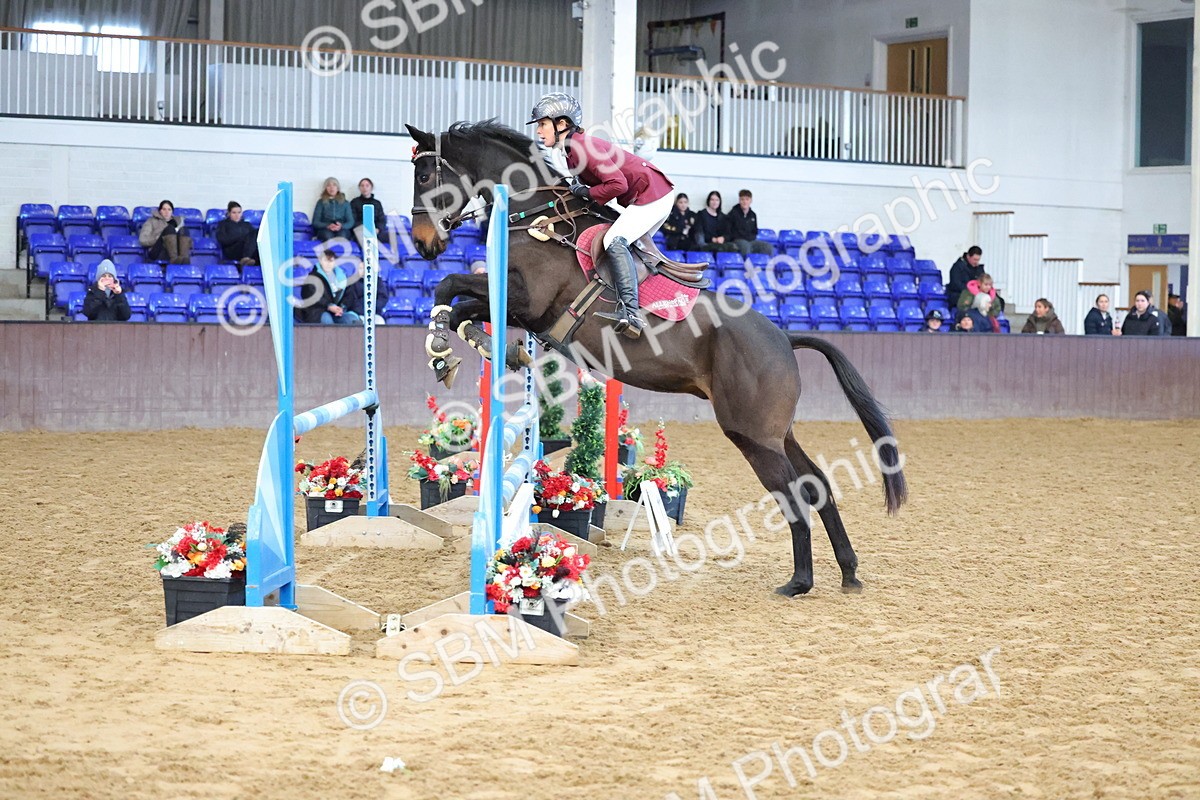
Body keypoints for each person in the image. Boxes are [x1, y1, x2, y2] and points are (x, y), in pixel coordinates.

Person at [529, 92, 675, 339]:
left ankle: (631, 313)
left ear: (562, 124)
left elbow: (617, 184)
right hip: (646, 194)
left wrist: (585, 191)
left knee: (613, 241)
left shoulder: (582, 147)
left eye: (543, 124)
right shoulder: (572, 149)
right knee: (624, 246)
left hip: (652, 195)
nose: (539, 131)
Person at [296, 249, 361, 325]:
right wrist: (329, 306)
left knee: (351, 319)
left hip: (337, 312)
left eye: (331, 261)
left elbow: (349, 295)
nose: (328, 264)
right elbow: (311, 296)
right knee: (327, 320)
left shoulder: (342, 277)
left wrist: (342, 307)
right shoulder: (312, 277)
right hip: (318, 312)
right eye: (325, 261)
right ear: (320, 261)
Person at [138, 199, 192, 264]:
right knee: (169, 229)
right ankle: (174, 259)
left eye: (169, 209)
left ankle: (183, 259)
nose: (167, 212)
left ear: (172, 212)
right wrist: (159, 237)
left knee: (184, 230)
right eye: (164, 209)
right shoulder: (151, 221)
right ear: (160, 211)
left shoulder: (178, 222)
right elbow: (143, 240)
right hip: (157, 251)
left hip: (177, 251)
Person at [726, 190, 775, 256]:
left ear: (751, 201)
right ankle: (747, 266)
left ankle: (764, 265)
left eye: (747, 199)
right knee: (746, 246)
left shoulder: (753, 215)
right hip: (737, 241)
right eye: (742, 199)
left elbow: (754, 231)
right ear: (739, 200)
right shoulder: (733, 214)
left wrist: (750, 237)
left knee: (768, 247)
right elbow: (729, 231)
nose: (744, 202)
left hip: (751, 241)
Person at [350, 178, 390, 250]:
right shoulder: (354, 202)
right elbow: (353, 220)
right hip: (361, 231)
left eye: (367, 185)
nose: (364, 188)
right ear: (359, 188)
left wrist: (378, 229)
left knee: (392, 237)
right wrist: (366, 229)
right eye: (362, 186)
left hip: (376, 231)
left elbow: (382, 220)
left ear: (371, 187)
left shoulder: (377, 203)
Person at [214, 201, 259, 266]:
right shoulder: (223, 224)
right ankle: (247, 258)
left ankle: (250, 260)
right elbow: (222, 239)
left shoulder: (247, 225)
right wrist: (241, 237)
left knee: (256, 232)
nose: (237, 215)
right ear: (229, 213)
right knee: (249, 236)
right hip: (232, 250)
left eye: (239, 212)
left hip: (247, 249)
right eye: (234, 213)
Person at [313, 177, 355, 243]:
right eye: (328, 185)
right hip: (325, 229)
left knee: (342, 236)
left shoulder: (345, 203)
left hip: (342, 229)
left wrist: (341, 226)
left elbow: (350, 222)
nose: (331, 188)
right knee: (327, 236)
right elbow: (315, 222)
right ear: (325, 188)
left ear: (338, 188)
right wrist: (327, 225)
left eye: (334, 185)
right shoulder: (321, 202)